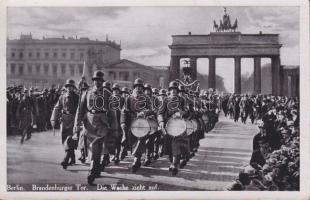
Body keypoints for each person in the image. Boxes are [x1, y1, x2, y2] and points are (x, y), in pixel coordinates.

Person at [73, 70, 112, 185]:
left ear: (102, 81)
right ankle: (96, 167)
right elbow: (80, 110)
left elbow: (113, 112)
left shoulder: (107, 94)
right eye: (95, 80)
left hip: (102, 122)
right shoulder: (86, 93)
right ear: (93, 81)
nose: (97, 82)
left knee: (95, 145)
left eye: (100, 80)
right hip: (89, 121)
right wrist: (77, 124)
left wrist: (114, 126)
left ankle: (92, 170)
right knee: (94, 147)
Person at [120, 78, 154, 173]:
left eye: (140, 87)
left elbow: (151, 110)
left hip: (142, 123)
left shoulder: (146, 98)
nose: (138, 89)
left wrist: (144, 112)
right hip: (131, 122)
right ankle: (135, 156)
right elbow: (123, 111)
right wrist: (123, 122)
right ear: (134, 88)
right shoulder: (129, 98)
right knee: (132, 140)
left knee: (140, 140)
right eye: (137, 87)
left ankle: (136, 159)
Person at [157, 81, 190, 176]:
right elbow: (160, 113)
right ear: (170, 90)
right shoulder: (165, 100)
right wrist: (161, 121)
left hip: (180, 125)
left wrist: (182, 113)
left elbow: (187, 111)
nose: (174, 91)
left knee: (177, 144)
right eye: (172, 90)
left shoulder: (182, 100)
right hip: (168, 125)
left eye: (176, 90)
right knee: (168, 146)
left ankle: (175, 164)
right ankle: (172, 162)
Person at [50, 79, 79, 169]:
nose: (69, 88)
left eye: (71, 87)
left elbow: (80, 108)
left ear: (74, 88)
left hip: (73, 119)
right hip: (64, 119)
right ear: (66, 87)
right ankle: (73, 158)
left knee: (69, 139)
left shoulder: (77, 97)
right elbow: (57, 107)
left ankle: (66, 159)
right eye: (68, 86)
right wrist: (54, 119)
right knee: (64, 139)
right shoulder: (62, 97)